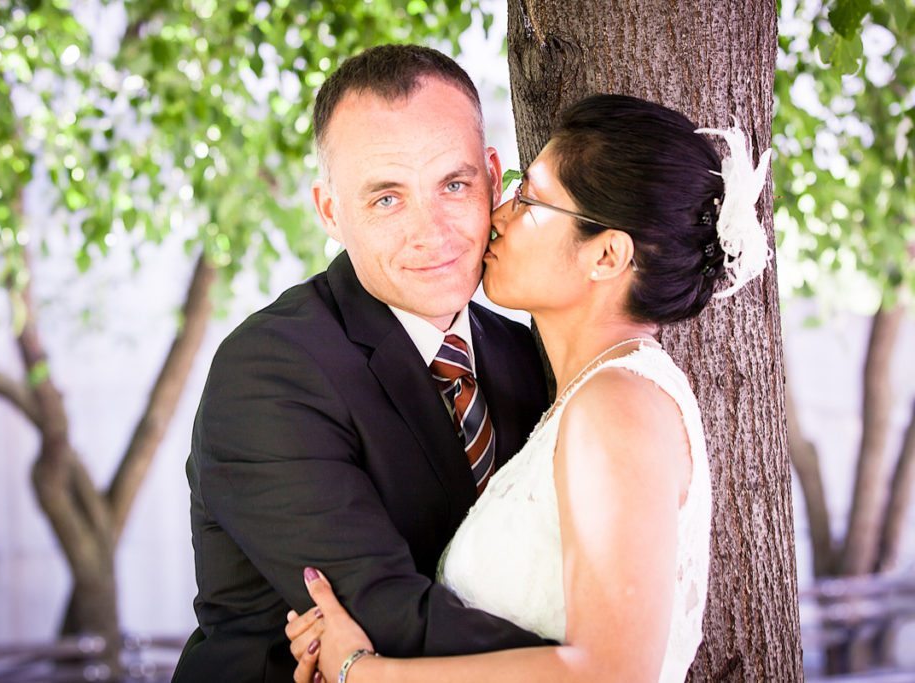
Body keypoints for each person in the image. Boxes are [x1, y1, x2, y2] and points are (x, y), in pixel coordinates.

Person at [285, 94, 772, 682]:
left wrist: (360, 672)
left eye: (531, 199)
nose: (499, 214)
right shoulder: (584, 396)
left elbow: (610, 675)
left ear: (607, 254)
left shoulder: (615, 407)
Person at [172, 45, 555, 682]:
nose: (431, 233)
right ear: (330, 211)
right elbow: (384, 612)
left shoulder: (524, 355)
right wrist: (598, 662)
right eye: (386, 199)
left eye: (453, 185)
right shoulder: (271, 371)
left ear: (492, 176)